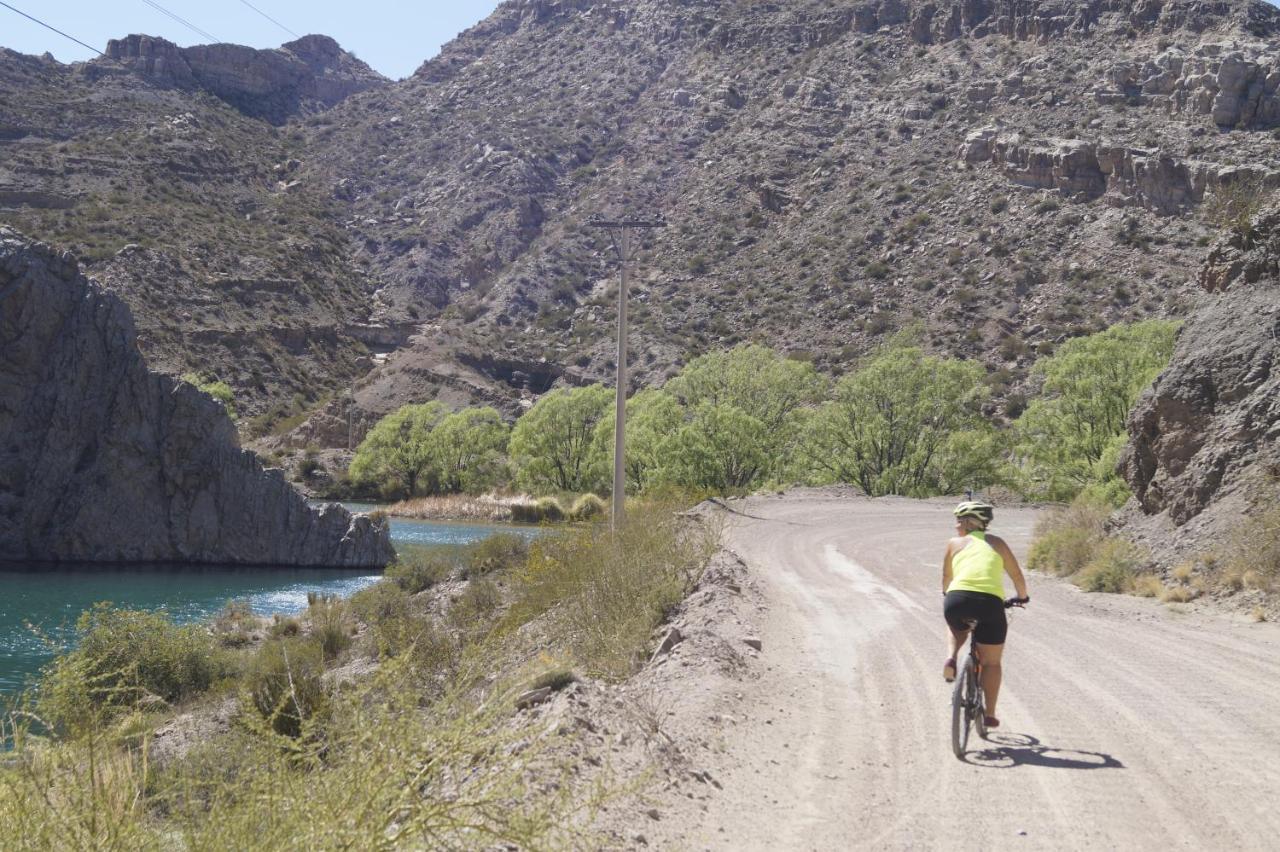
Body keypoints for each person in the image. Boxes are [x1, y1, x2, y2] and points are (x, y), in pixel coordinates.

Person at [941, 499, 1029, 729]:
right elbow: (1017, 576)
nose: (956, 525)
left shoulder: (954, 544)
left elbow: (946, 579)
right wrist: (1022, 597)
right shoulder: (997, 543)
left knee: (955, 625)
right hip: (990, 604)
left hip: (957, 598)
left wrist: (947, 595)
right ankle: (989, 713)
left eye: (959, 521)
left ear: (970, 523)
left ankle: (951, 657)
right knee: (991, 662)